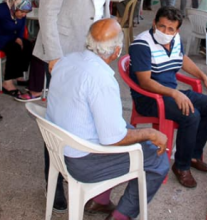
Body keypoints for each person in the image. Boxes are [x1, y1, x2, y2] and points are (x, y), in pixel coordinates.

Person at [34, 0, 129, 213]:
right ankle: (56, 184)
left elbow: (101, 16)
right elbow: (47, 12)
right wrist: (54, 58)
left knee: (86, 118)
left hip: (91, 57)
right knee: (58, 119)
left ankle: (85, 177)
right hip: (63, 56)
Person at [46, 19, 169, 220]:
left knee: (128, 129)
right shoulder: (101, 79)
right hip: (82, 162)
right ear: (117, 51)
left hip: (60, 149)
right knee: (158, 157)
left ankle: (99, 200)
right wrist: (150, 132)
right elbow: (113, 139)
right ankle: (121, 216)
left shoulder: (66, 60)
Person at [129, 7, 207, 188]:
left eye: (170, 29)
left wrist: (203, 76)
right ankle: (181, 166)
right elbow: (145, 82)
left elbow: (182, 58)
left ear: (177, 30)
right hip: (150, 99)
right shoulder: (142, 45)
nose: (165, 32)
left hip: (171, 93)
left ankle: (194, 155)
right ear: (154, 23)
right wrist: (174, 93)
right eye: (161, 26)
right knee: (191, 115)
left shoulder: (175, 39)